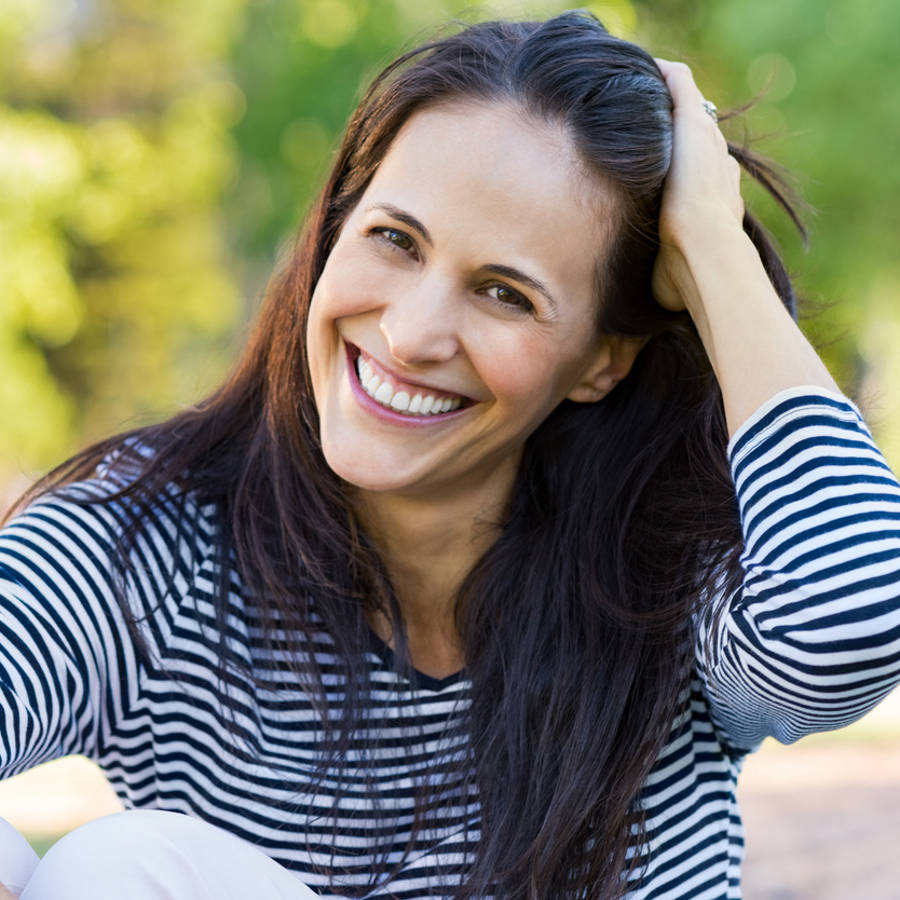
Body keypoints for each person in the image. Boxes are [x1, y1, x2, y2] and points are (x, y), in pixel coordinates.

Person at [1, 10, 898, 900]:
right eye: (395, 239)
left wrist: (712, 245)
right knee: (110, 870)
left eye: (505, 294)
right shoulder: (150, 543)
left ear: (600, 361)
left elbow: (851, 626)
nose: (409, 334)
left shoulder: (668, 572)